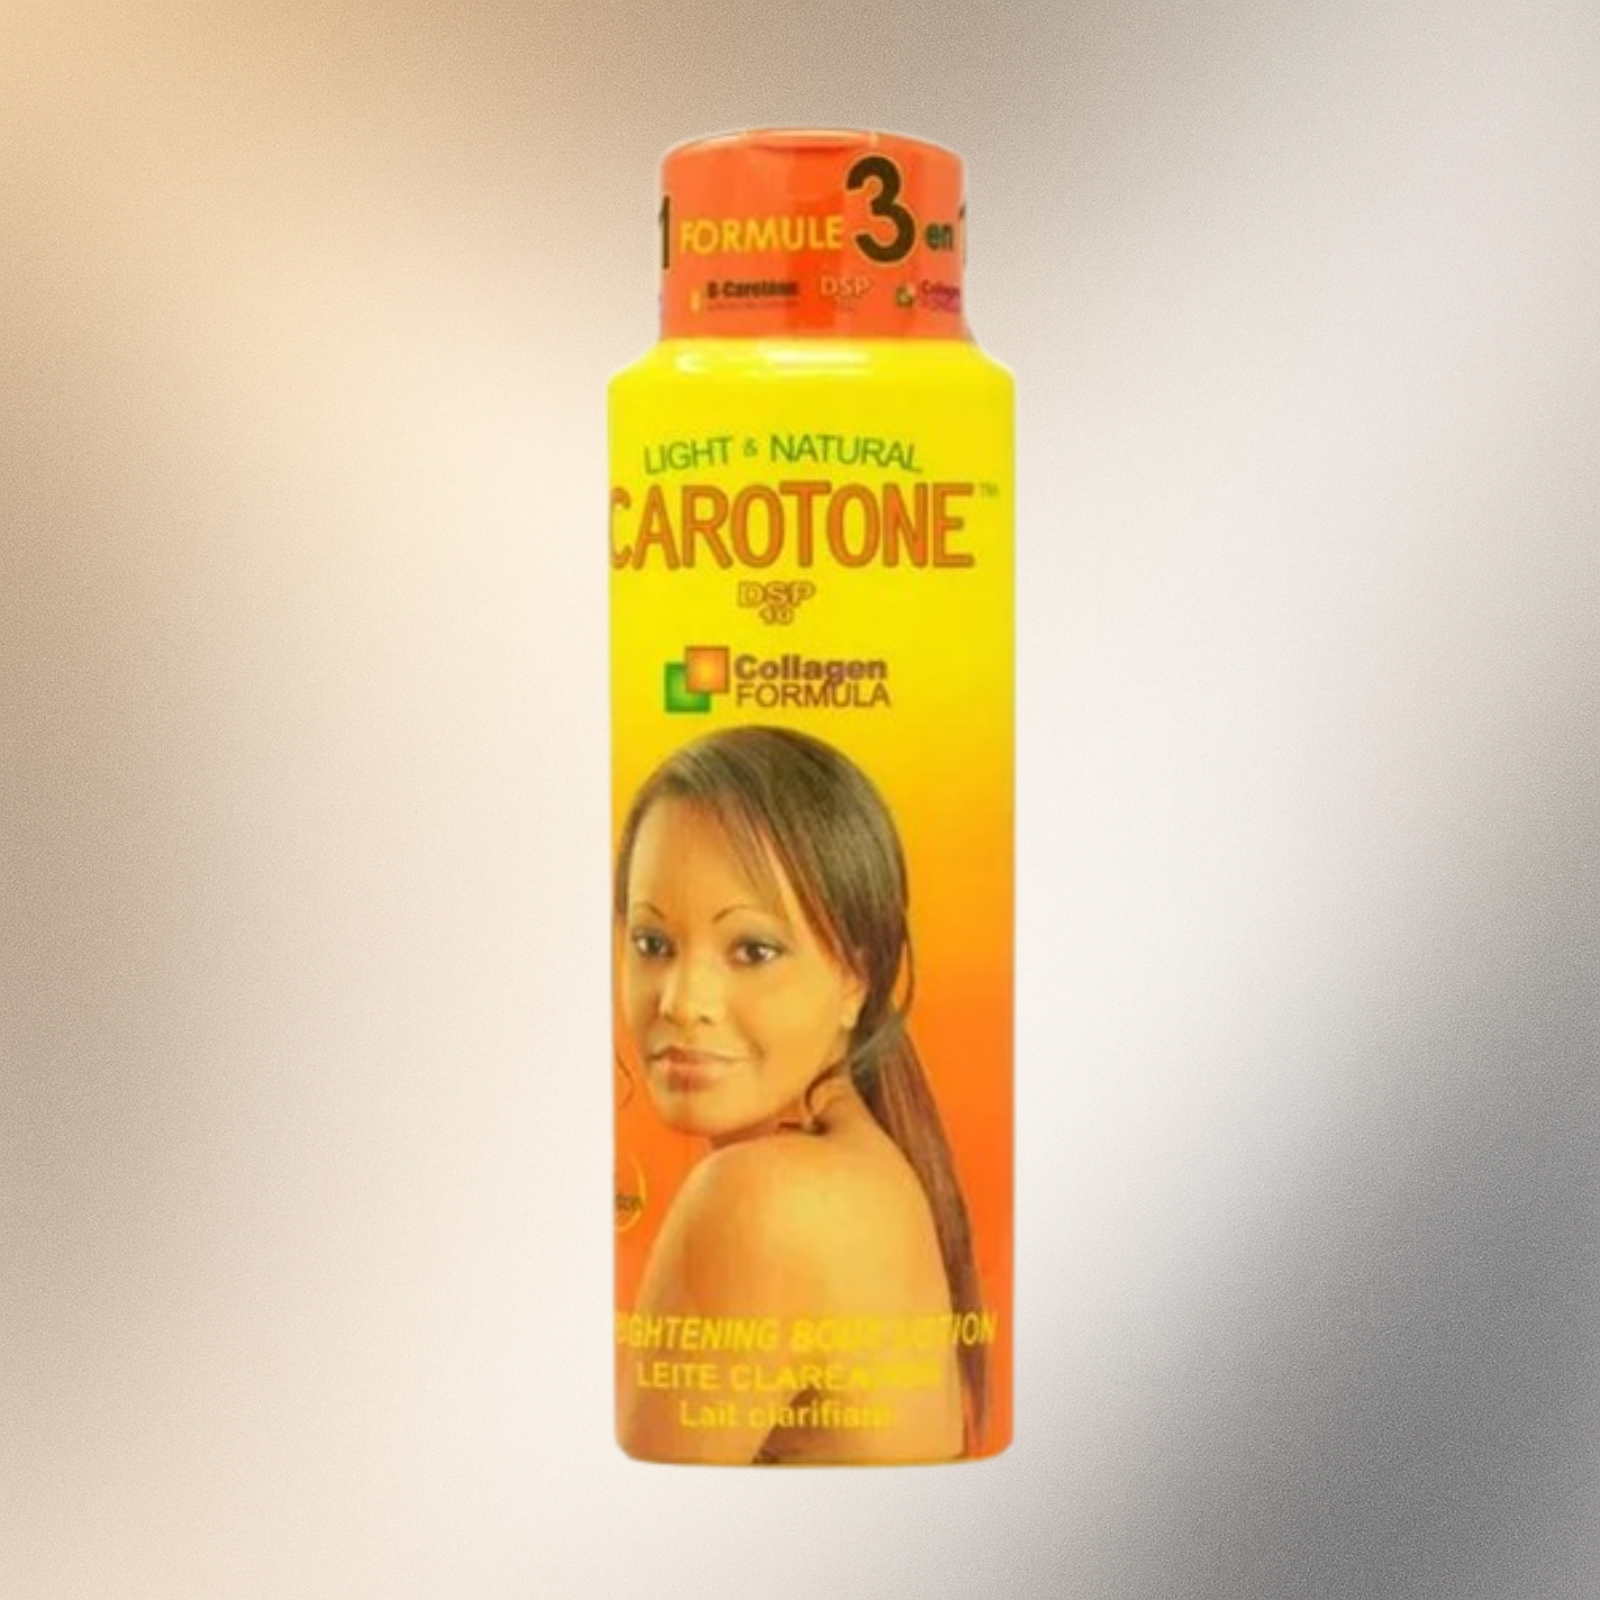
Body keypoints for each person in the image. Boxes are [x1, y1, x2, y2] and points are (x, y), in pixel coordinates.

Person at [613, 725, 985, 1463]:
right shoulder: (866, 1167)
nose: (683, 1002)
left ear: (856, 977)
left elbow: (644, 1522)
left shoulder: (758, 1200)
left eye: (753, 950)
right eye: (653, 943)